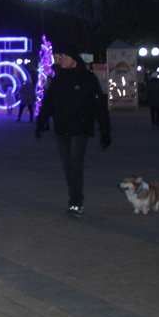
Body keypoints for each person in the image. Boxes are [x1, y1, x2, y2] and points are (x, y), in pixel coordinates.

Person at [35, 42, 111, 217]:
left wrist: (105, 130)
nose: (60, 59)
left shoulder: (87, 79)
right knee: (68, 166)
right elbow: (49, 102)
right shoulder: (59, 79)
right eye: (59, 56)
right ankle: (74, 198)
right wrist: (41, 122)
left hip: (81, 128)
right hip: (62, 129)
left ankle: (76, 202)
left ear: (74, 60)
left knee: (75, 165)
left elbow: (99, 104)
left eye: (64, 57)